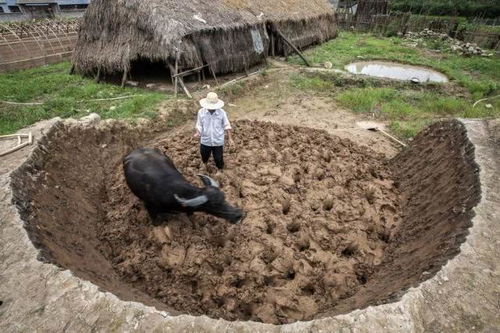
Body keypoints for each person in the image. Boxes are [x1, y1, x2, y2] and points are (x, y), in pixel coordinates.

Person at [195, 92, 234, 173]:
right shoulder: (201, 112)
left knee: (218, 158)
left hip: (218, 140)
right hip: (206, 140)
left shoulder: (222, 113)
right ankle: (204, 164)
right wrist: (198, 132)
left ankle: (220, 170)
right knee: (204, 155)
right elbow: (199, 124)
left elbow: (227, 125)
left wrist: (230, 139)